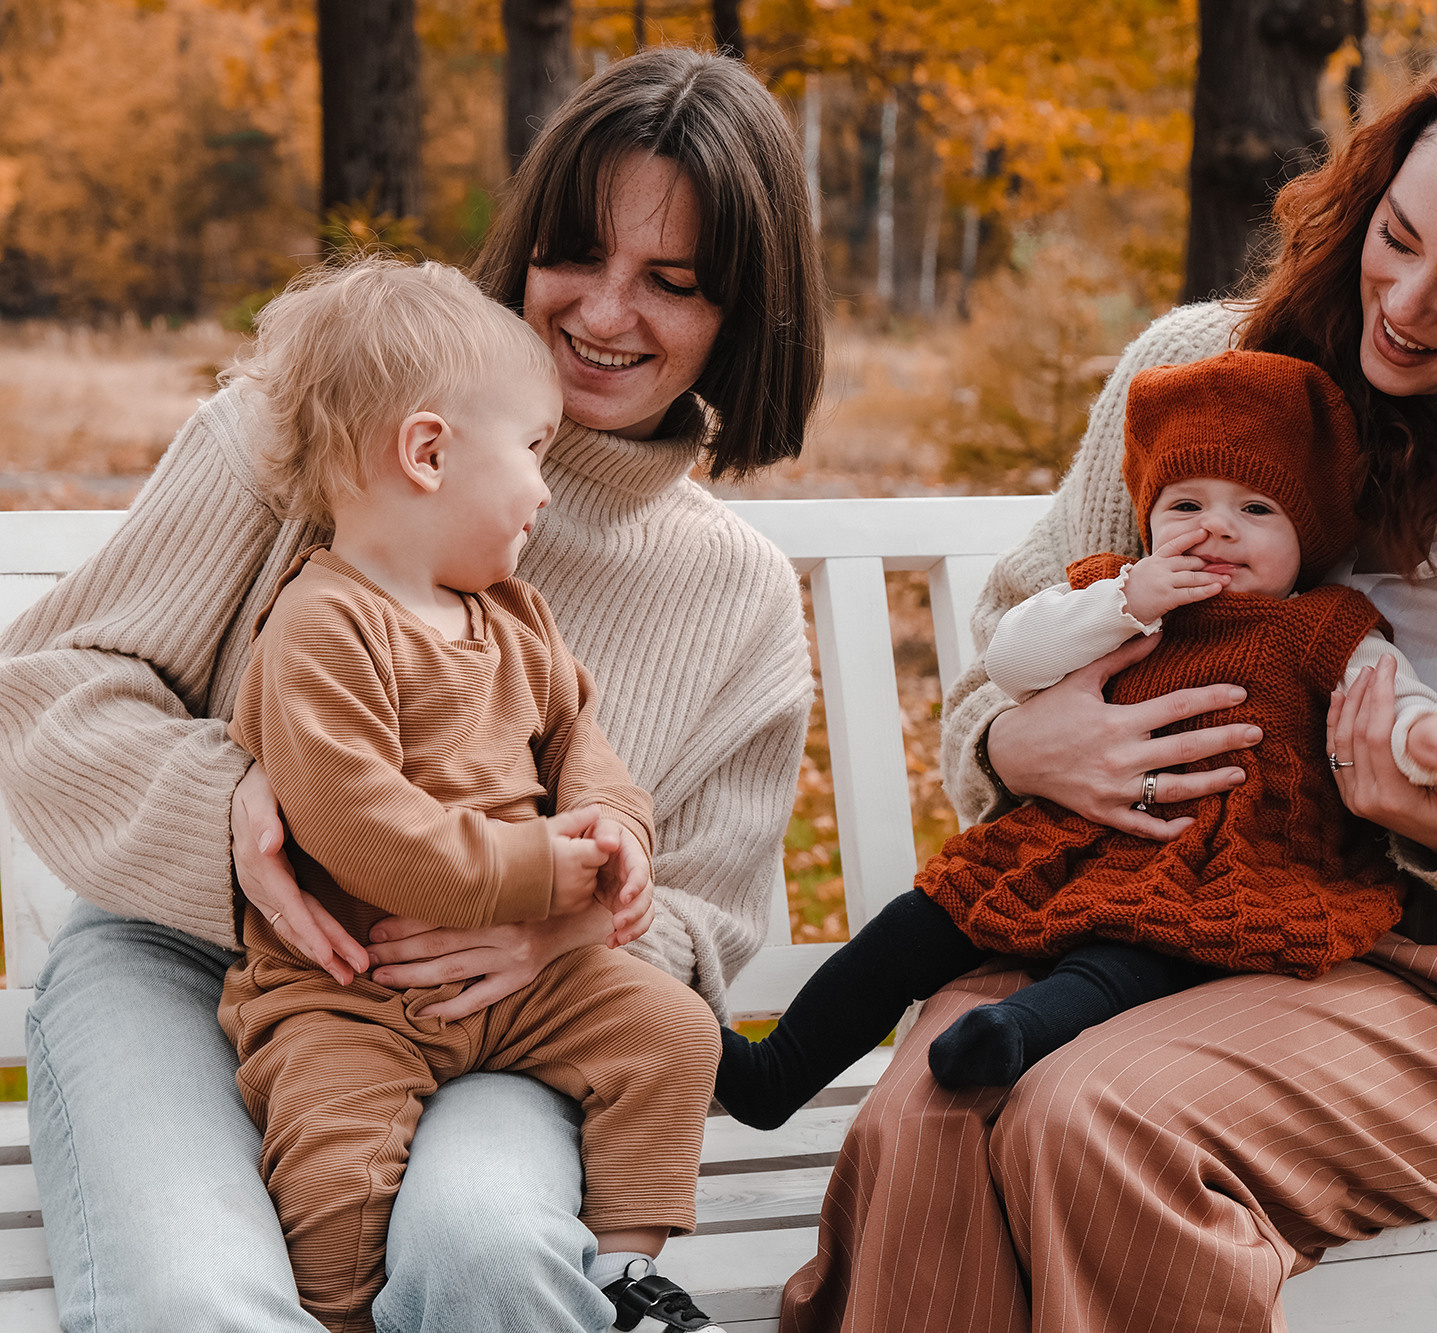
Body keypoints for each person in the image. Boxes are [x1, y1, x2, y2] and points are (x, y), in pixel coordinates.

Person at [780, 35, 1437, 1332]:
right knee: (934, 1114)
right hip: (1121, 902)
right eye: (1399, 234)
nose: (1407, 304)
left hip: (1423, 976)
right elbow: (1004, 657)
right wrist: (1023, 747)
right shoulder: (1211, 370)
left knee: (1099, 1125)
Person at [0, 46, 823, 1333]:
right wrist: (233, 812)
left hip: (504, 1010)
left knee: (488, 1253)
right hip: (183, 958)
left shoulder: (737, 594)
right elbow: (49, 689)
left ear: (743, 314)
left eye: (671, 283)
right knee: (195, 1300)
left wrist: (555, 924)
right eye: (575, 257)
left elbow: (707, 912)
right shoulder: (308, 426)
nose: (605, 313)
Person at [716, 350, 1437, 1129]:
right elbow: (1013, 662)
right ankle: (776, 1070)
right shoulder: (1116, 591)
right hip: (1072, 838)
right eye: (1186, 504)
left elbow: (1391, 696)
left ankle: (1009, 1035)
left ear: (1308, 536)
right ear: (1149, 517)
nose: (1216, 526)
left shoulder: (1321, 626)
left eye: (1257, 510)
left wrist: (1431, 732)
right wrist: (1123, 599)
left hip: (1221, 860)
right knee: (925, 917)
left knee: (1132, 958)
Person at [217, 256, 729, 1333]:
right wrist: (542, 869)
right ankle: (341, 1313)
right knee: (336, 1176)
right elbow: (361, 822)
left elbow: (577, 739)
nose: (547, 486)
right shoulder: (323, 628)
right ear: (429, 450)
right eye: (534, 452)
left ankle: (623, 1278)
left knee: (674, 1036)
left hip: (519, 982)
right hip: (351, 990)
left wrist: (614, 832)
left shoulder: (510, 614)